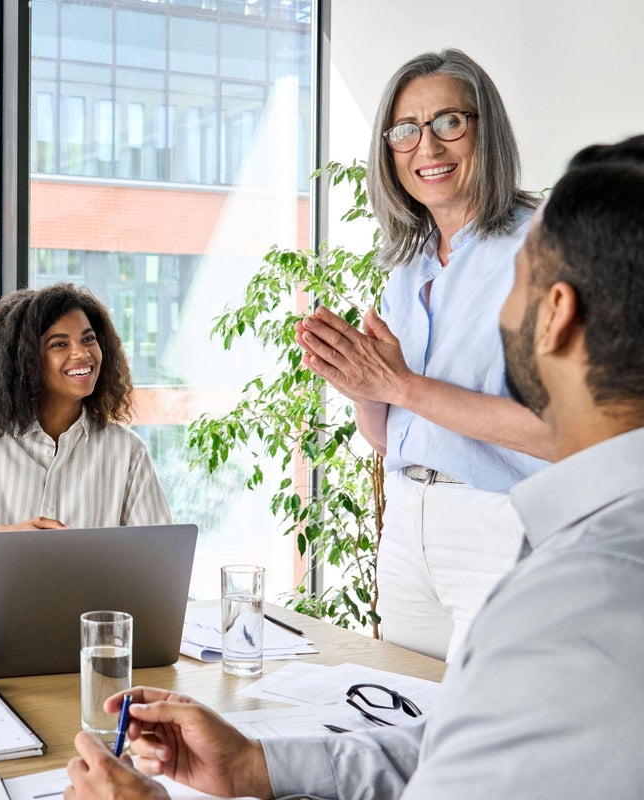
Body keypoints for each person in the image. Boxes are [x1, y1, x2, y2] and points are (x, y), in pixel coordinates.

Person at [64, 135, 644, 800]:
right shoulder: (590, 564)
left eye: (515, 278)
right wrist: (258, 765)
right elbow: (468, 741)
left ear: (557, 317)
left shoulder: (576, 600)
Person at [293, 49, 551, 661]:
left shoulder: (546, 248)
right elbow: (394, 439)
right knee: (404, 722)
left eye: (449, 123)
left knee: (486, 744)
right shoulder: (405, 266)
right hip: (408, 526)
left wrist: (401, 385)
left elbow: (566, 434)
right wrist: (364, 388)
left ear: (487, 131)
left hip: (502, 525)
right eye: (406, 130)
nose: (426, 147)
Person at [0, 283, 172, 599]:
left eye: (88, 339)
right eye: (59, 344)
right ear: (25, 360)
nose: (82, 353)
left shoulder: (127, 451)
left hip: (92, 625)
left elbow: (161, 562)